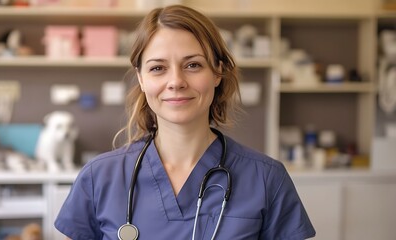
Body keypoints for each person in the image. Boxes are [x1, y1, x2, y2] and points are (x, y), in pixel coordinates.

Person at [55, 4, 316, 240]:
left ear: (217, 72)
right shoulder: (99, 178)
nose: (176, 81)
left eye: (193, 65)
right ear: (142, 78)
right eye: (158, 68)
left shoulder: (266, 178)